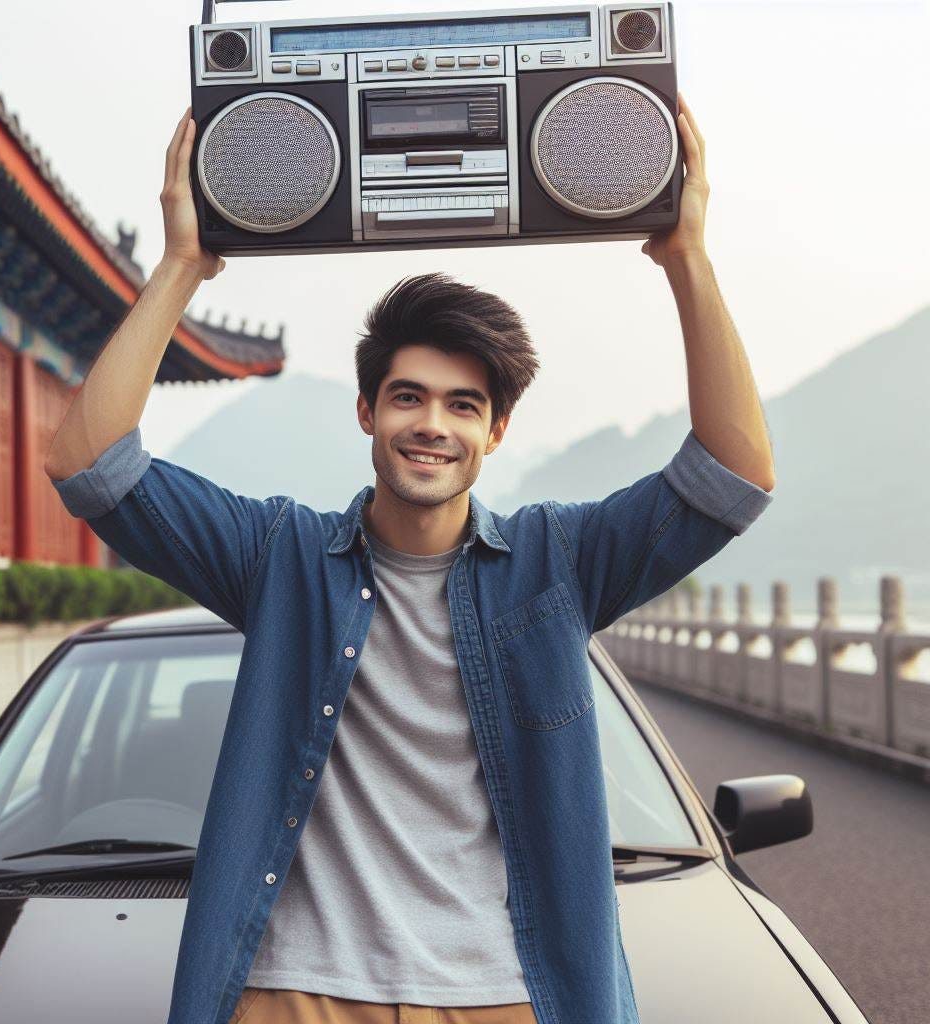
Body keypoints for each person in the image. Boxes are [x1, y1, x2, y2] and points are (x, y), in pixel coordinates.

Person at [45, 98, 775, 1024]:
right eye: (408, 397)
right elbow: (89, 464)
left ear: (496, 429)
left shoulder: (558, 563)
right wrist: (186, 264)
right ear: (367, 412)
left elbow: (732, 476)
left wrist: (688, 258)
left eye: (464, 406)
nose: (433, 424)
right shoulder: (281, 558)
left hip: (511, 995)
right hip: (293, 991)